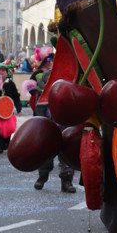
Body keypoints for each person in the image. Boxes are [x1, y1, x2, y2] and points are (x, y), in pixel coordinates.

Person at [32, 58, 76, 193]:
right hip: (48, 126)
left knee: (66, 157)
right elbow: (38, 107)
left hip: (65, 126)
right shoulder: (44, 83)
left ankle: (66, 181)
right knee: (45, 155)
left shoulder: (68, 84)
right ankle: (42, 177)